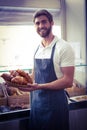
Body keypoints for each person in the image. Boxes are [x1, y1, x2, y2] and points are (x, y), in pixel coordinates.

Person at [19, 9, 75, 130]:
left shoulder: (63, 47)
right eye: (37, 23)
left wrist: (39, 86)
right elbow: (34, 76)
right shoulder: (37, 48)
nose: (41, 26)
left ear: (51, 23)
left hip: (56, 108)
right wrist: (21, 83)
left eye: (44, 22)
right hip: (37, 106)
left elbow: (68, 81)